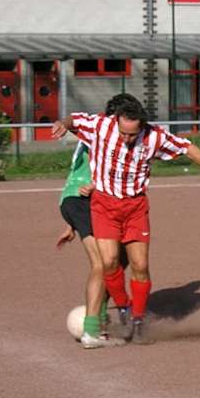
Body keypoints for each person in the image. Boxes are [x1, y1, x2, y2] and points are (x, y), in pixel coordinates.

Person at [52, 95, 200, 344]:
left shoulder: (154, 137)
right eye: (123, 133)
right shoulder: (101, 126)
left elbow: (186, 147)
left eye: (132, 135)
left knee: (139, 265)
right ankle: (122, 309)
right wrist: (62, 122)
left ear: (142, 126)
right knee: (109, 262)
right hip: (103, 204)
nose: (126, 140)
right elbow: (75, 119)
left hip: (135, 206)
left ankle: (136, 319)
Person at [56, 140, 126, 349]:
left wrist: (71, 224)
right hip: (83, 200)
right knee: (102, 263)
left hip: (76, 201)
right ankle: (92, 330)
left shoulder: (95, 132)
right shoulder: (104, 135)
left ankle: (100, 320)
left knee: (119, 258)